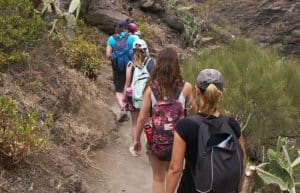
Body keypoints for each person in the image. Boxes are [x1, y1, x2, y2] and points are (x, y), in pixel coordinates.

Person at [166, 69, 246, 193]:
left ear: (196, 91)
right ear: (222, 93)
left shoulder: (185, 126)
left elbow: (175, 169)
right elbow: (242, 159)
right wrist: (239, 189)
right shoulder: (232, 124)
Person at [132, 47, 198, 193]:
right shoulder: (186, 87)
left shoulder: (151, 88)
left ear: (158, 64)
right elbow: (195, 114)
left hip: (157, 141)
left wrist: (136, 139)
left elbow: (142, 117)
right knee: (173, 174)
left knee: (158, 178)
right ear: (176, 64)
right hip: (179, 141)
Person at [123, 39, 154, 149]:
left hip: (133, 99)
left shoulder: (130, 65)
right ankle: (148, 146)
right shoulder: (150, 63)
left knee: (134, 123)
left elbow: (127, 84)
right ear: (145, 50)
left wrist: (124, 99)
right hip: (147, 98)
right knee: (147, 123)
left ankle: (135, 146)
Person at [106, 19, 137, 122]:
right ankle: (131, 108)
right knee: (129, 87)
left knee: (119, 90)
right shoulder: (132, 37)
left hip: (118, 69)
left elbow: (108, 55)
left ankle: (123, 107)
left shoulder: (111, 39)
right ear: (126, 28)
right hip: (131, 67)